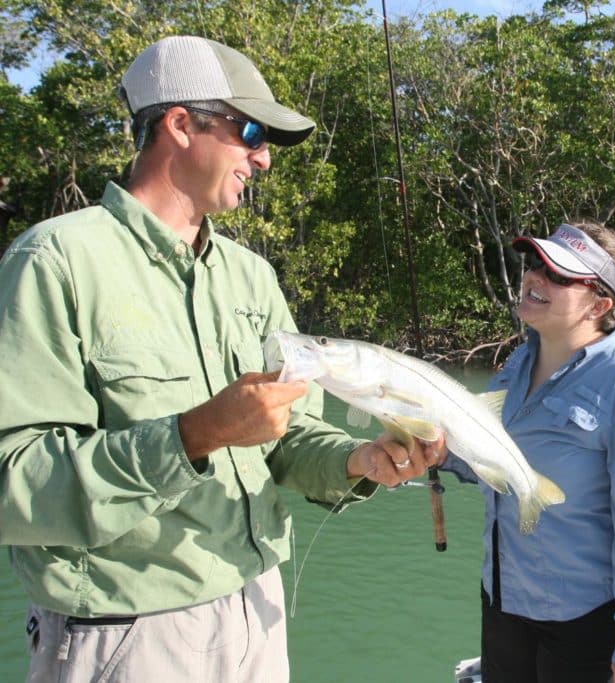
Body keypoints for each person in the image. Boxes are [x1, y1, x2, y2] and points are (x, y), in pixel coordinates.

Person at [0, 36, 441, 682]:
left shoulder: (253, 278)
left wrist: (358, 460)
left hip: (258, 616)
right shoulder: (53, 262)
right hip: (126, 635)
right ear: (180, 125)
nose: (263, 158)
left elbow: (290, 440)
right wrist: (195, 434)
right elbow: (15, 483)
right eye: (251, 131)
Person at [442, 221, 615, 682]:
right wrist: (439, 451)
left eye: (557, 273)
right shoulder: (516, 364)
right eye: (534, 264)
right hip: (502, 603)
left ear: (601, 303)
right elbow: (492, 461)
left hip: (584, 624)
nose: (535, 276)